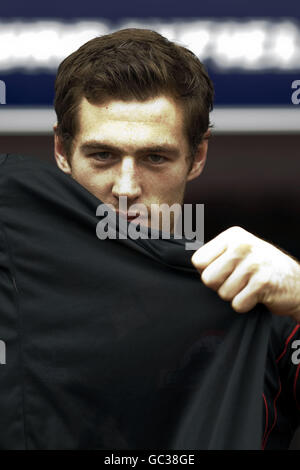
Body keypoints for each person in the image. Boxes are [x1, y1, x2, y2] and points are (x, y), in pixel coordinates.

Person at [1, 28, 299, 450]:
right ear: (61, 151)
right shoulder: (9, 285)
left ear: (196, 156)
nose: (125, 187)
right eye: (102, 155)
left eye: (154, 157)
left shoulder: (261, 303)